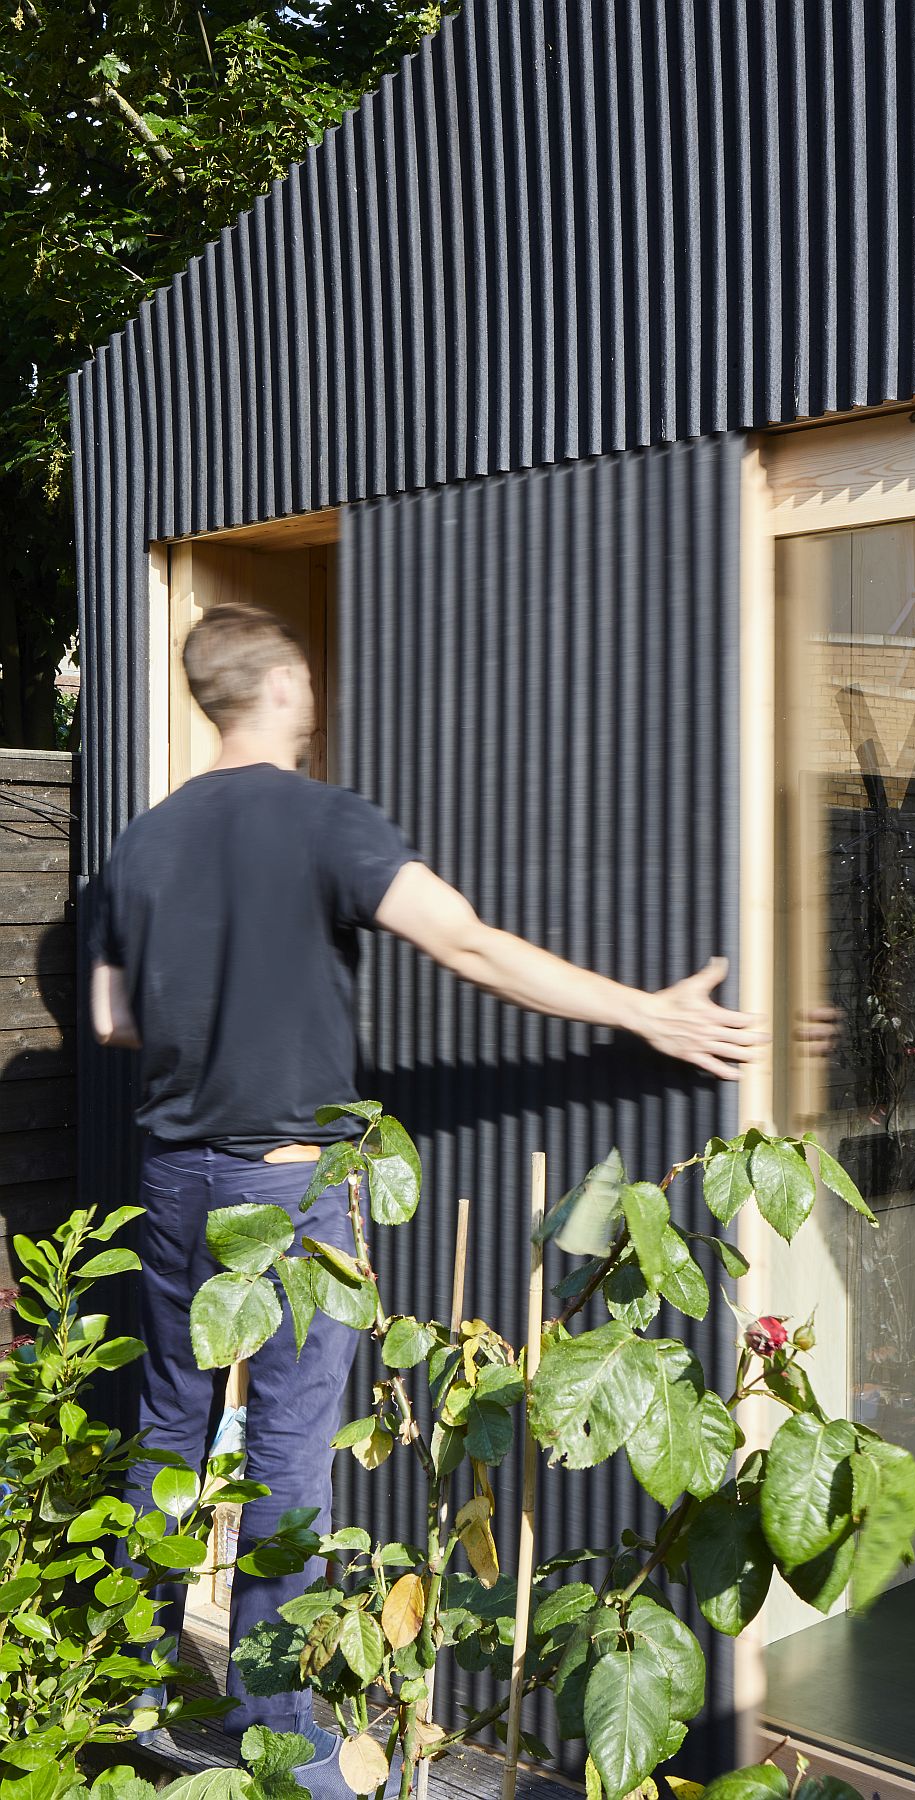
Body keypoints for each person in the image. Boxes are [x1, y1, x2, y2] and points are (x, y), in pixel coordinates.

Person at [91, 602, 834, 1794]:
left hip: (174, 1179)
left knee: (170, 1434)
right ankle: (276, 1735)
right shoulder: (324, 819)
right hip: (289, 1187)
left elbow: (112, 1020)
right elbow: (471, 945)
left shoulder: (140, 843)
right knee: (286, 1455)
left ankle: (118, 1685)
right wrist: (646, 1009)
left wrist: (215, 1018)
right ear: (280, 687)